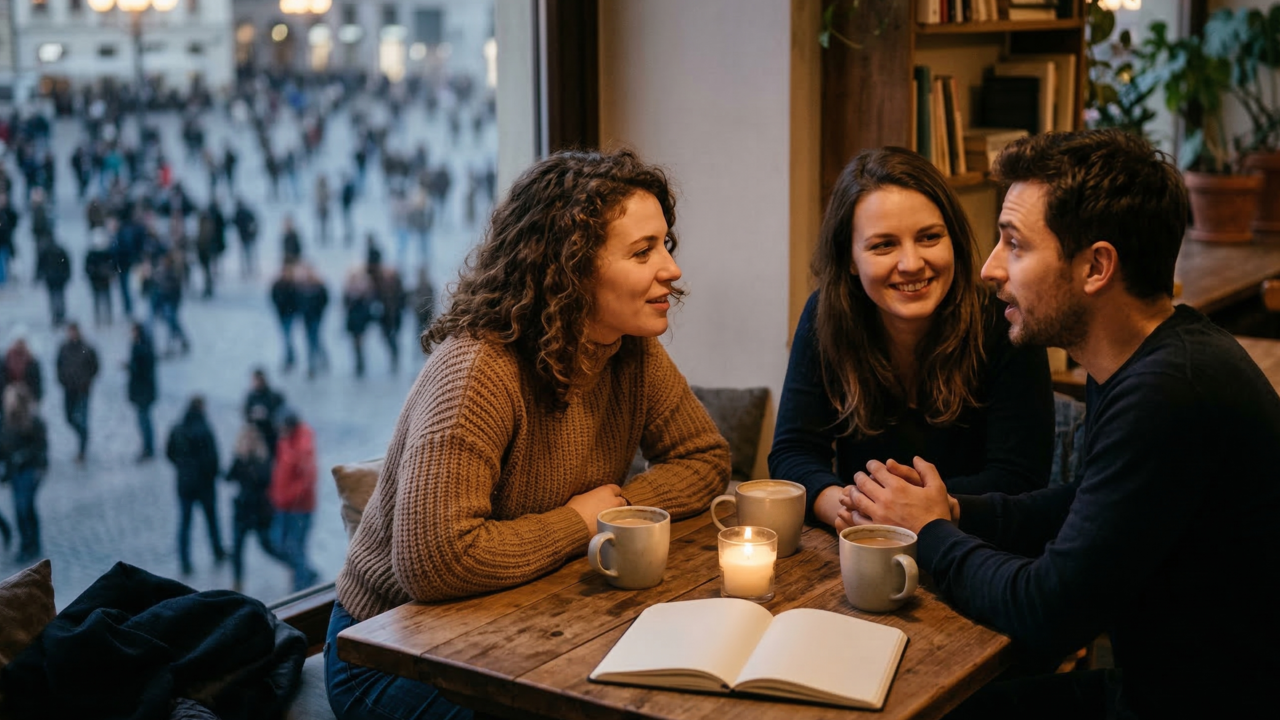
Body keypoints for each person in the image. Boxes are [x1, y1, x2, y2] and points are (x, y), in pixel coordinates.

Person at [845, 130, 1280, 718]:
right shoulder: (1144, 356)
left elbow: (1046, 612)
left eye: (1015, 245)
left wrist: (930, 535)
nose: (991, 269)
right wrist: (954, 511)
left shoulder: (1170, 392)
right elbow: (1088, 502)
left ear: (1096, 267)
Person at [325, 148, 731, 720]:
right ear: (572, 267)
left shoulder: (631, 350)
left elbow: (705, 461)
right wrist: (581, 522)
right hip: (389, 653)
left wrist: (618, 510)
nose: (671, 268)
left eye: (666, 244)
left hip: (516, 619)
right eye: (643, 251)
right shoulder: (477, 369)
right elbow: (435, 561)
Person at [769, 147, 1053, 532]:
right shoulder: (826, 315)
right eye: (883, 245)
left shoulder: (1006, 321)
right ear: (850, 259)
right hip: (859, 542)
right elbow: (793, 453)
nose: (912, 263)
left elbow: (1020, 480)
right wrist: (850, 509)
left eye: (929, 237)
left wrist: (904, 512)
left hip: (980, 551)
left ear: (952, 238)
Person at [166, 395, 226, 575]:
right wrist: (211, 474)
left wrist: (182, 468)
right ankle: (217, 550)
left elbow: (169, 453)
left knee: (184, 523)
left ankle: (185, 560)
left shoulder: (177, 429)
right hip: (204, 484)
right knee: (211, 519)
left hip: (184, 483)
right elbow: (213, 458)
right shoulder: (204, 430)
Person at [224, 424, 286, 593]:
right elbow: (228, 477)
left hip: (259, 512)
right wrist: (239, 458)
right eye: (246, 439)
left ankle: (292, 564)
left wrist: (249, 462)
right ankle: (237, 582)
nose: (249, 443)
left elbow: (263, 480)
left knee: (268, 546)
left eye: (252, 440)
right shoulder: (240, 459)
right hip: (242, 511)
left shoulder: (263, 459)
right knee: (236, 549)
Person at [269, 410, 318, 592]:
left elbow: (307, 479)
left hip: (299, 507)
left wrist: (287, 497)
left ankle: (301, 585)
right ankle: (305, 571)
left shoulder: (303, 446)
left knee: (295, 547)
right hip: (283, 504)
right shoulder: (285, 441)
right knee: (278, 543)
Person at [0, 384, 48, 563]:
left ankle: (31, 544)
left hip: (29, 470)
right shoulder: (5, 422)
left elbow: (40, 448)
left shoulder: (34, 421)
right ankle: (27, 543)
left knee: (24, 507)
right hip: (15, 472)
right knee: (21, 509)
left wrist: (22, 458)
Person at [55, 322, 99, 463]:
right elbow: (58, 365)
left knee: (82, 418)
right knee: (69, 418)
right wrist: (62, 380)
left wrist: (87, 380)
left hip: (82, 390)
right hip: (69, 389)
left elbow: (95, 365)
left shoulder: (86, 348)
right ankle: (82, 435)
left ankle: (82, 449)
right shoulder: (63, 348)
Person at [126, 321, 157, 461]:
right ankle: (148, 447)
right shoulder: (144, 347)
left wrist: (130, 367)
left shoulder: (140, 348)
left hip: (143, 392)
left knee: (144, 420)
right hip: (144, 391)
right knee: (144, 420)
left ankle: (148, 448)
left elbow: (140, 370)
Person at [243, 368, 286, 461]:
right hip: (257, 436)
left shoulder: (274, 396)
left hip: (272, 435)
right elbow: (246, 415)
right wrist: (253, 416)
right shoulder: (251, 397)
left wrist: (267, 416)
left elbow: (282, 415)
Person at [35, 235, 71, 327]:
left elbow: (40, 265)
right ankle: (59, 315)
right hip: (57, 279)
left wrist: (38, 275)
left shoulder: (46, 252)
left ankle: (57, 316)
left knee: (54, 298)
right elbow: (67, 265)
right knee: (58, 298)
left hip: (53, 279)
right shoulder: (59, 251)